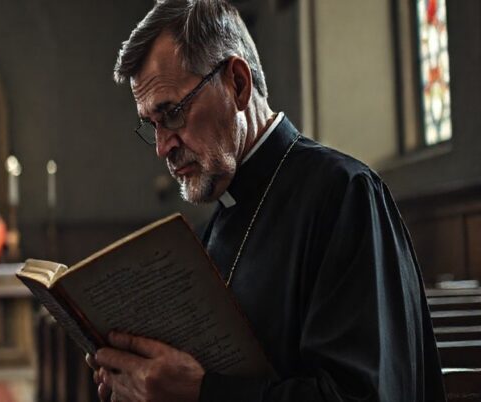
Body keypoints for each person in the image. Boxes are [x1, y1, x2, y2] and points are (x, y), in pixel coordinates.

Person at [87, 1, 446, 401]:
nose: (162, 147)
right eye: (152, 125)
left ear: (237, 84)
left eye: (171, 113)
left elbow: (363, 395)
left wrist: (203, 394)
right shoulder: (217, 224)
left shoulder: (345, 195)